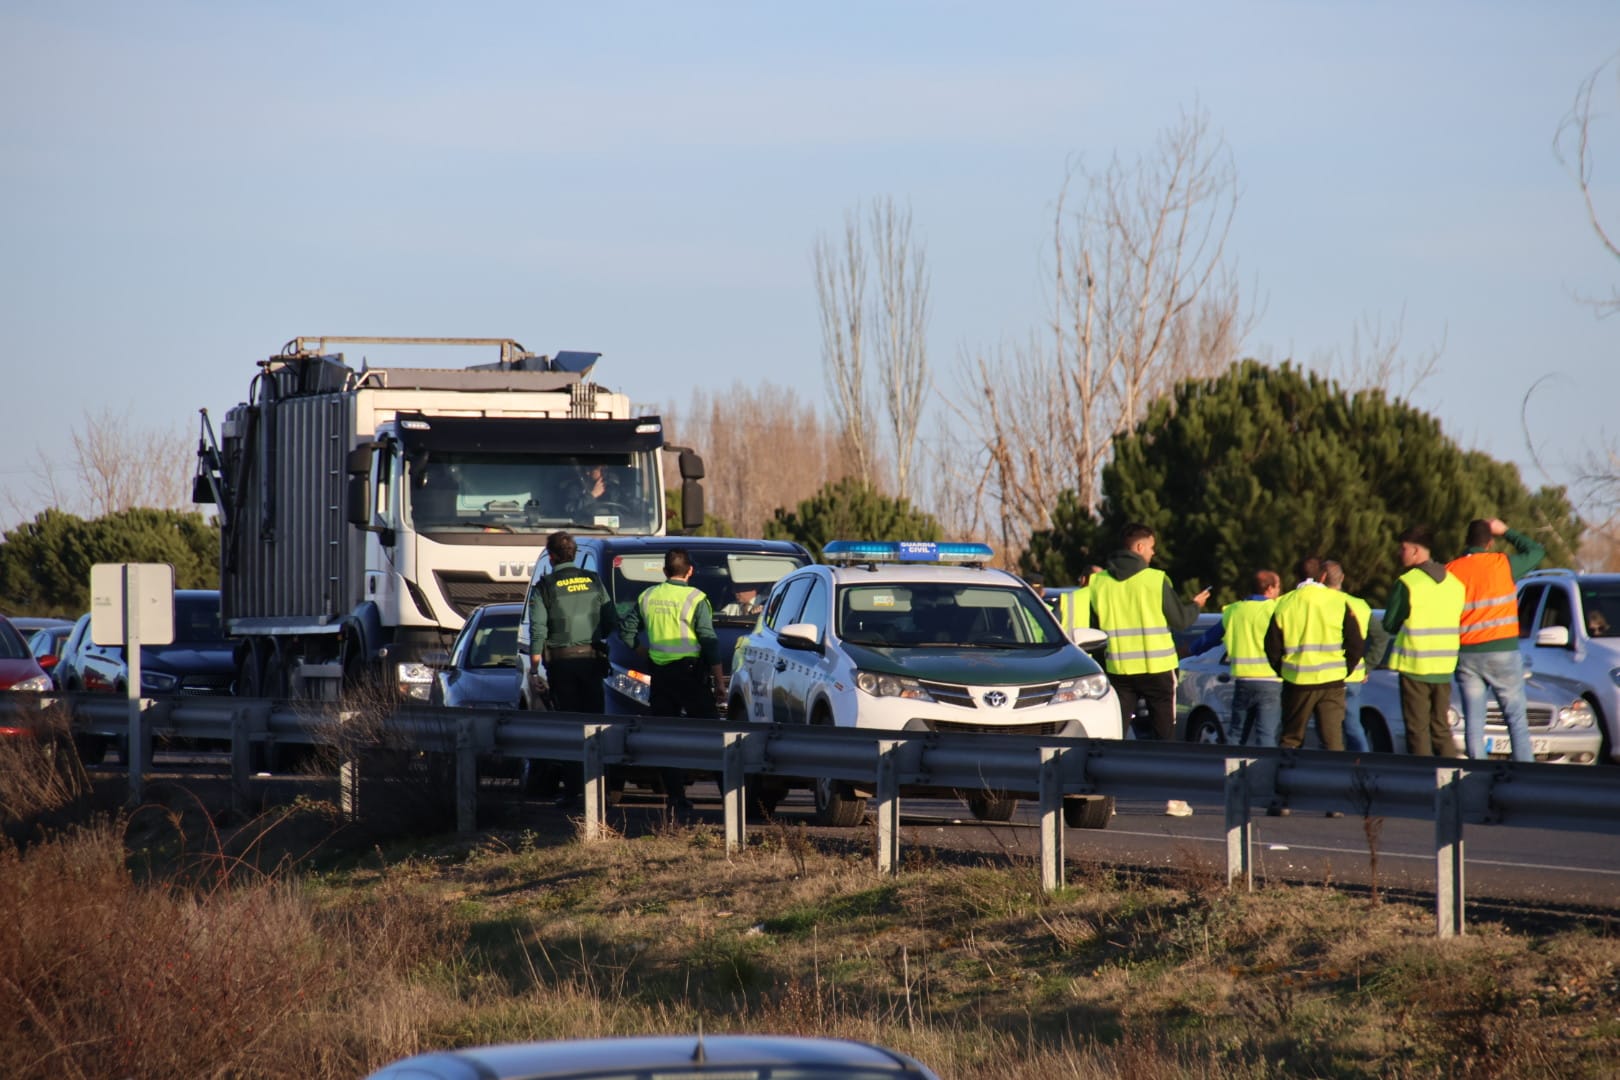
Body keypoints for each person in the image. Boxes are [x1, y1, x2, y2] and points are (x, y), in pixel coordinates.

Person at [617, 547, 723, 815]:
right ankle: (729, 793)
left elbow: (627, 631)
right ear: (690, 571)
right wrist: (719, 681)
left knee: (666, 737)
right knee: (714, 736)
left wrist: (644, 652)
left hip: (660, 676)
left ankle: (677, 798)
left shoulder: (647, 596)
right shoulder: (696, 598)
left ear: (665, 572)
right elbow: (709, 642)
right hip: (690, 675)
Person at [1089, 523, 1211, 740]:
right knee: (1164, 734)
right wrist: (1195, 605)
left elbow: (1095, 631)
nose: (1154, 552)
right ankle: (1162, 771)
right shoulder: (1154, 579)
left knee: (1115, 731)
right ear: (1138, 547)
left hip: (1119, 669)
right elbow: (1181, 620)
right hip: (1158, 669)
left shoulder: (1099, 583)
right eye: (1151, 547)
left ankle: (1111, 770)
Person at [526, 531, 617, 805]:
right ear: (574, 554)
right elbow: (611, 620)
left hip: (562, 665)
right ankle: (599, 791)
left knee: (570, 728)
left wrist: (533, 669)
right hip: (592, 662)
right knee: (596, 726)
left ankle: (575, 791)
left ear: (551, 556)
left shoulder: (545, 587)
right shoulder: (593, 581)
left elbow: (538, 630)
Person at [1446, 518, 1545, 762]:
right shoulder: (1503, 563)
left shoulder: (1451, 570)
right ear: (1489, 543)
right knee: (1516, 721)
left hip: (1466, 654)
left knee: (1474, 725)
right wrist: (1507, 531)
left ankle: (1476, 781)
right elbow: (1537, 551)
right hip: (1502, 651)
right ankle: (1527, 779)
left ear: (1466, 542)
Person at [1265, 557, 1365, 751]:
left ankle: (1287, 778)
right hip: (1332, 682)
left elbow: (1272, 647)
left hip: (1297, 682)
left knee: (1291, 740)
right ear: (1323, 575)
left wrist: (1284, 671)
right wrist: (1344, 669)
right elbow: (1356, 643)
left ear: (1296, 576)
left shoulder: (1284, 603)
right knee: (1333, 742)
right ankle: (1334, 780)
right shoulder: (1338, 601)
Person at [1383, 525, 1466, 757]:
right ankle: (1451, 779)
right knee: (1441, 728)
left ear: (1416, 551)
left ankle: (1422, 782)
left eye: (1404, 549)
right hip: (1444, 667)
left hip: (1415, 666)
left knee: (1417, 729)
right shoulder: (1455, 584)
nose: (1401, 554)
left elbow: (1389, 623)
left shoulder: (1408, 583)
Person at [1320, 559, 1389, 753]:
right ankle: (1361, 764)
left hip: (1324, 676)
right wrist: (1368, 666)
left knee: (1326, 728)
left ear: (1321, 578)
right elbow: (1381, 637)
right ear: (1342, 578)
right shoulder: (1359, 605)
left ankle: (1326, 769)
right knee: (1352, 726)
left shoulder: (1318, 605)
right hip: (1353, 676)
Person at [1216, 569, 1284, 747]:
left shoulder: (1234, 610)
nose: (1279, 592)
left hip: (1243, 681)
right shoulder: (1277, 610)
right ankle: (1264, 774)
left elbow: (1209, 638)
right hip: (1271, 681)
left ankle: (1232, 774)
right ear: (1269, 589)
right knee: (1266, 737)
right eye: (1278, 588)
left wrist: (1190, 650)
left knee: (1236, 736)